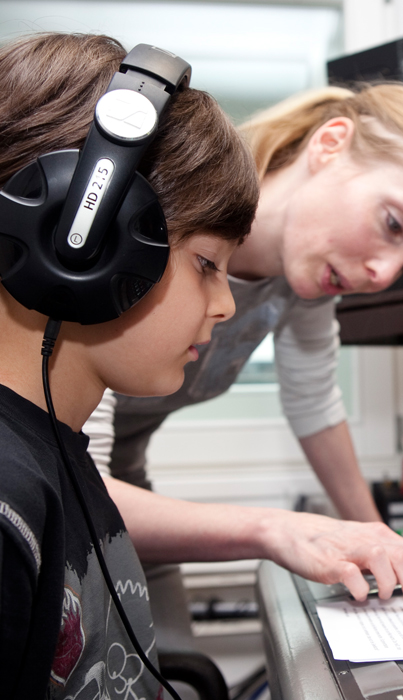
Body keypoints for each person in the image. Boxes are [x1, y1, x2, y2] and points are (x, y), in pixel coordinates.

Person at [82, 81, 403, 610]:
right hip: (59, 476)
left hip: (121, 480)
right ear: (330, 144)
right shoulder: (148, 227)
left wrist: (381, 542)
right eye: (393, 223)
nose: (383, 274)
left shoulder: (305, 278)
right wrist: (278, 531)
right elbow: (77, 483)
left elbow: (313, 402)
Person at [0, 31, 259, 698]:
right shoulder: (7, 503)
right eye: (207, 265)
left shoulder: (55, 452)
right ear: (78, 243)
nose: (227, 305)